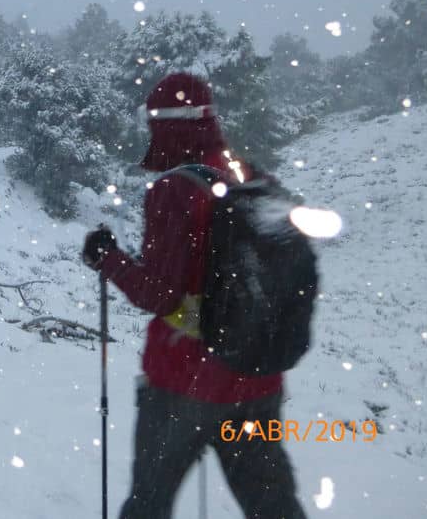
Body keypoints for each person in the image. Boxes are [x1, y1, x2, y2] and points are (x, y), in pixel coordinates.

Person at [81, 72, 306, 519]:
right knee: (274, 508)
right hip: (256, 379)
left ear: (165, 126)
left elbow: (159, 294)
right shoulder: (252, 178)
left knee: (149, 505)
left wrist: (107, 259)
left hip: (183, 386)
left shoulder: (175, 190)